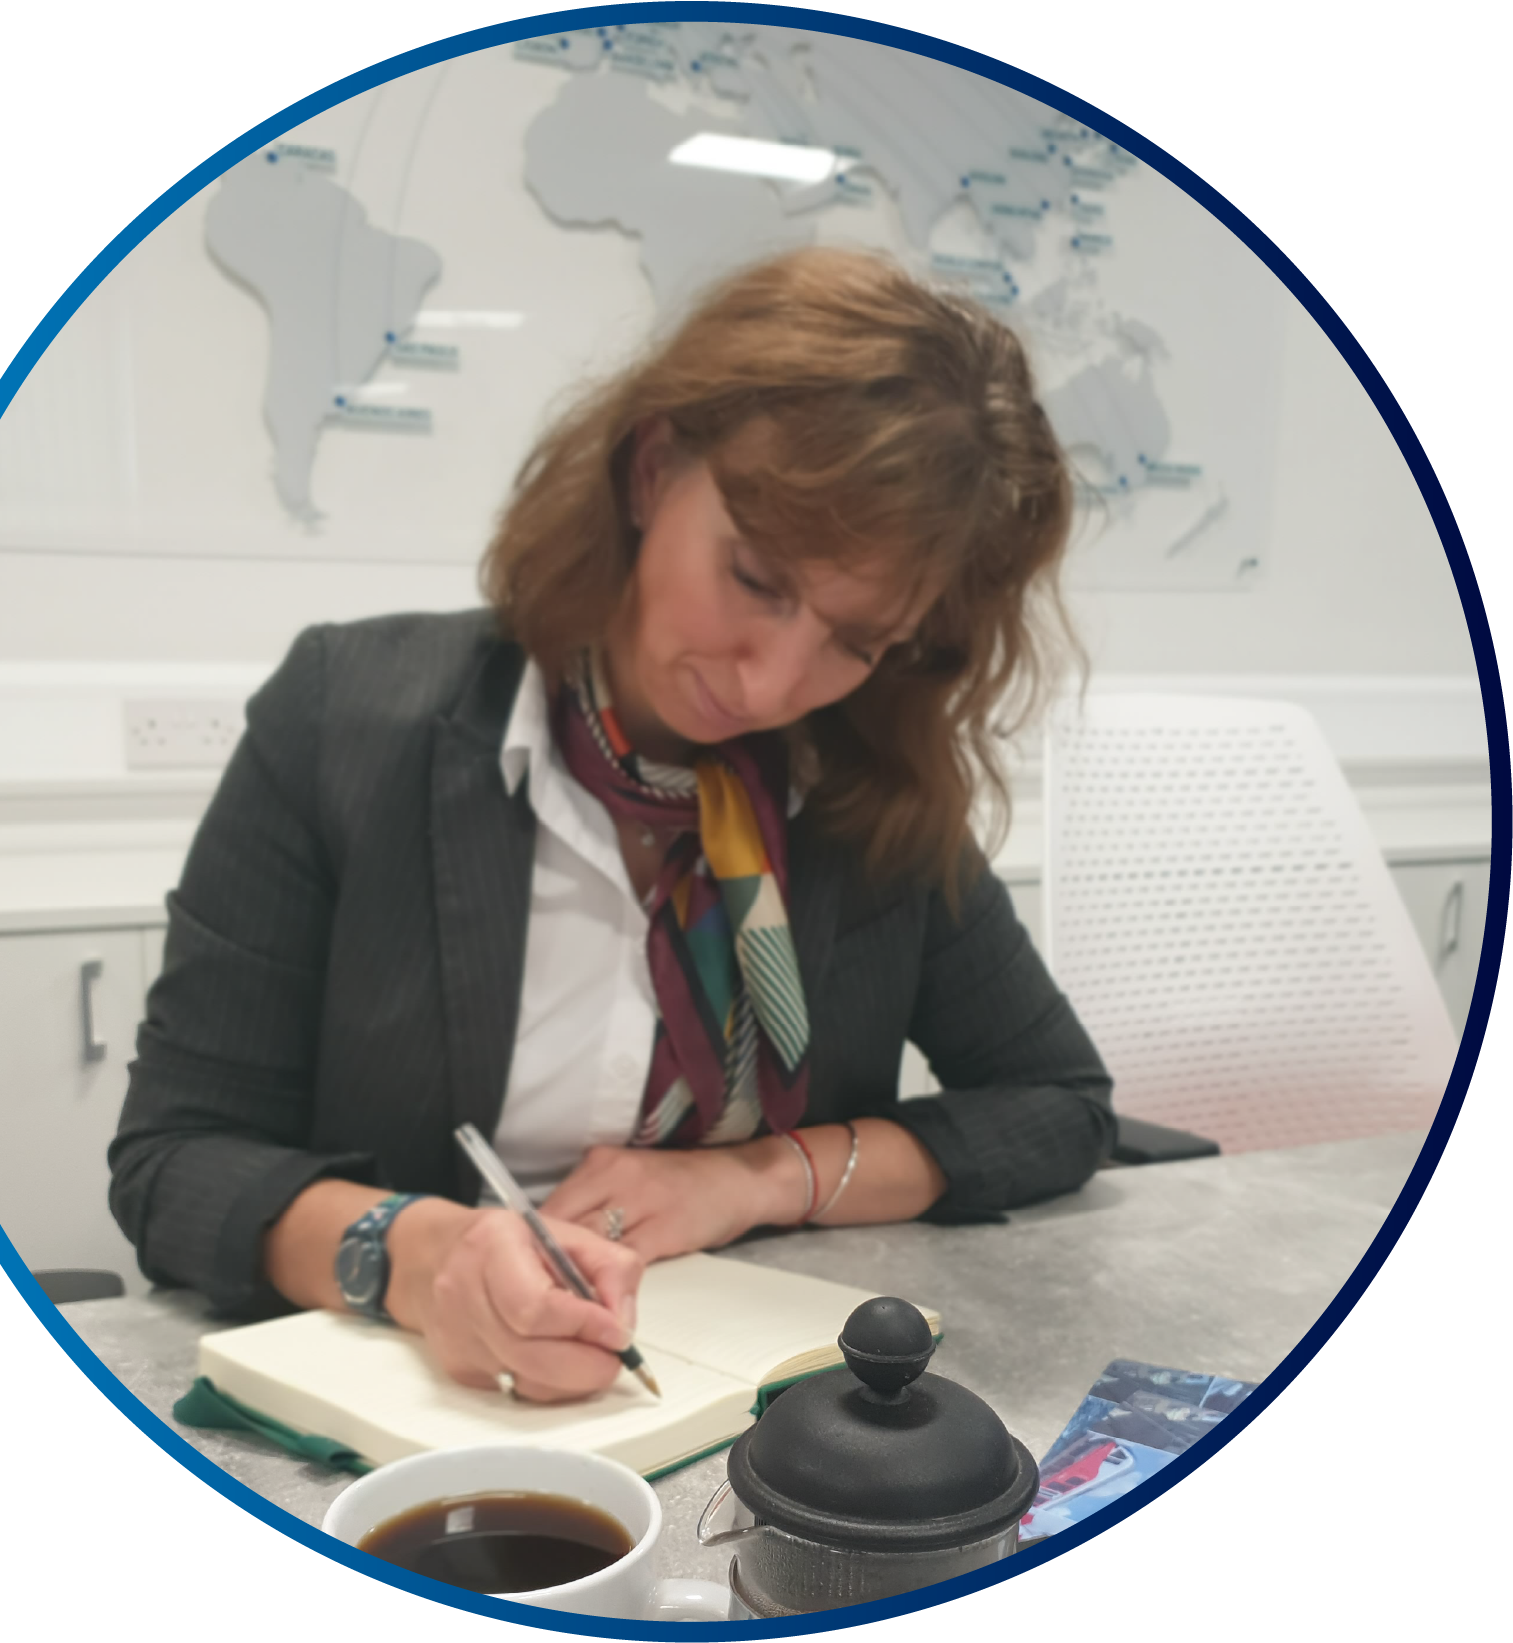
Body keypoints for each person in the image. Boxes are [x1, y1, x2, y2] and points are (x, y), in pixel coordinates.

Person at [109, 246, 1114, 1406]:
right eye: (755, 577)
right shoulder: (345, 718)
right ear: (650, 471)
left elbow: (1055, 1104)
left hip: (737, 1402)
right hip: (412, 1411)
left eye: (858, 640)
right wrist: (421, 1254)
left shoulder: (865, 787)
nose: (773, 681)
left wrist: (755, 1177)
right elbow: (175, 1160)